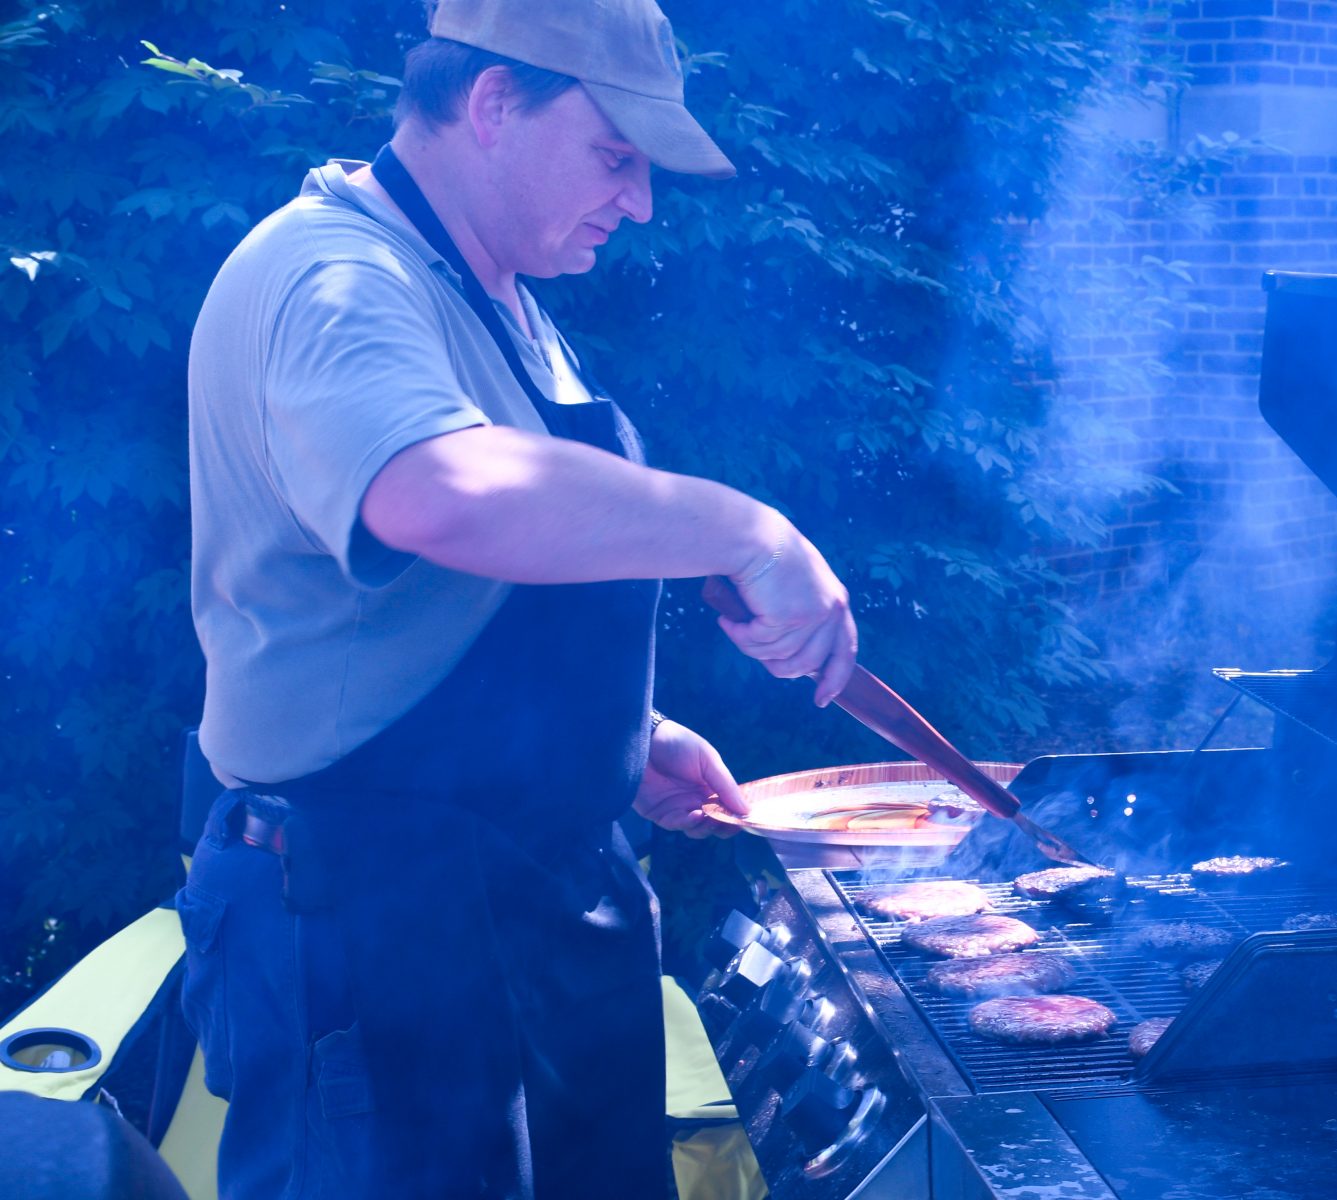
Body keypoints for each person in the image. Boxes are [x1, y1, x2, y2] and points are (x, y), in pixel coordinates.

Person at [180, 0, 852, 1196]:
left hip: (531, 910)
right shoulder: (333, 275)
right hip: (371, 936)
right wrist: (749, 529)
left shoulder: (496, 300)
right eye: (614, 155)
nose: (638, 203)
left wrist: (608, 742)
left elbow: (449, 599)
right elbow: (439, 489)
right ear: (493, 103)